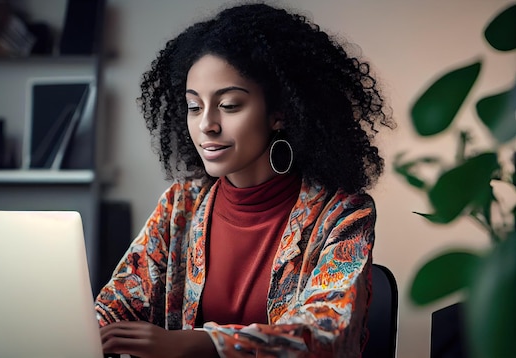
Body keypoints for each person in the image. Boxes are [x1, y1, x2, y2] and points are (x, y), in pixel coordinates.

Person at [96, 3, 394, 357]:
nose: (207, 124)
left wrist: (202, 343)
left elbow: (328, 332)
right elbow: (116, 304)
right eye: (194, 106)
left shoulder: (343, 213)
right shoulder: (182, 204)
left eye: (230, 105)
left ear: (280, 114)